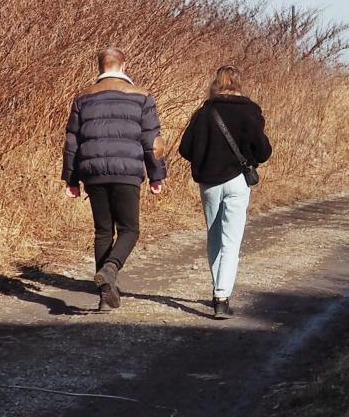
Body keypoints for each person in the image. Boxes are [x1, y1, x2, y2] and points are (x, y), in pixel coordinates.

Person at [61, 46, 165, 311]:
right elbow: (152, 141)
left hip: (92, 172)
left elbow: (72, 141)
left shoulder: (83, 98)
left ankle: (105, 296)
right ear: (124, 65)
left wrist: (71, 179)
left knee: (103, 231)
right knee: (130, 229)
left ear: (100, 67)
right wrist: (156, 175)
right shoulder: (142, 96)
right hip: (127, 170)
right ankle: (110, 268)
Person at [177, 65, 272, 320]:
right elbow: (263, 150)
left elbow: (185, 148)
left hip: (209, 183)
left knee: (214, 236)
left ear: (215, 84)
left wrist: (204, 159)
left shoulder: (204, 112)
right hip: (238, 181)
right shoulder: (250, 111)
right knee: (231, 241)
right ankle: (221, 296)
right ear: (239, 84)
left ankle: (218, 290)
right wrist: (249, 158)